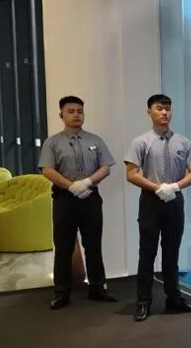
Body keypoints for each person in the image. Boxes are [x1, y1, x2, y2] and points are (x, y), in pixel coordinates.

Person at [124, 94, 191, 322]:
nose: (164, 113)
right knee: (147, 253)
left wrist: (175, 187)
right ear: (149, 111)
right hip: (151, 200)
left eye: (168, 108)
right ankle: (143, 301)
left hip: (175, 200)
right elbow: (131, 174)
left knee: (172, 252)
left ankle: (174, 298)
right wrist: (157, 188)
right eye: (159, 108)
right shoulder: (141, 142)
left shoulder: (183, 142)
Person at [39, 96, 117, 309]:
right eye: (71, 111)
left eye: (80, 111)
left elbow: (106, 167)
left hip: (90, 198)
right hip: (65, 199)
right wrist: (71, 186)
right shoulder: (52, 142)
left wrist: (87, 183)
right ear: (61, 114)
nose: (76, 115)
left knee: (93, 245)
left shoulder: (95, 140)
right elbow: (47, 170)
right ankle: (62, 292)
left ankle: (98, 288)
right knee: (63, 246)